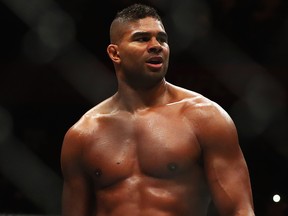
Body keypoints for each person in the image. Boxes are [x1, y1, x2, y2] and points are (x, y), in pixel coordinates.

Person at [60, 3, 255, 216]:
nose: (156, 46)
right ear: (115, 53)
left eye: (162, 39)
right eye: (142, 38)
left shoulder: (204, 117)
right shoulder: (82, 135)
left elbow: (240, 209)